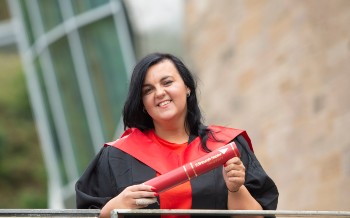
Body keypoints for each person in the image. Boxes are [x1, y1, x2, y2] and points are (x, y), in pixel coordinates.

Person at [75, 53, 279, 218]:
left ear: (187, 87)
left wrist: (236, 189)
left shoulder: (227, 148)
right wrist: (114, 208)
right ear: (143, 104)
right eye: (148, 90)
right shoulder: (118, 156)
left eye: (167, 82)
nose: (159, 93)